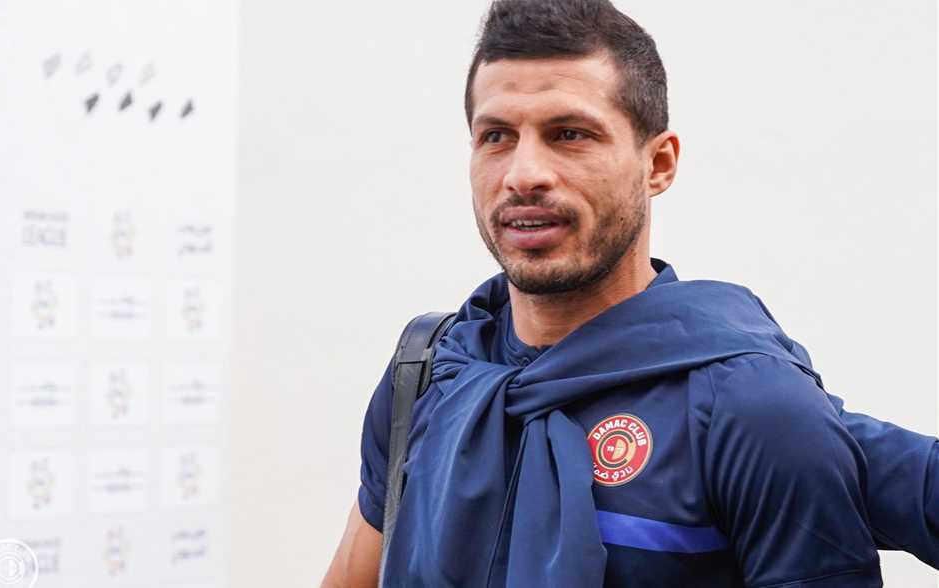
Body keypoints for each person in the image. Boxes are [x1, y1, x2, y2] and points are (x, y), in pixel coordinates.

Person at [322, 1, 938, 586]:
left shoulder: (754, 408)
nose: (523, 174)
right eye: (496, 136)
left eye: (570, 134)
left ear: (658, 164)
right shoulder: (430, 372)